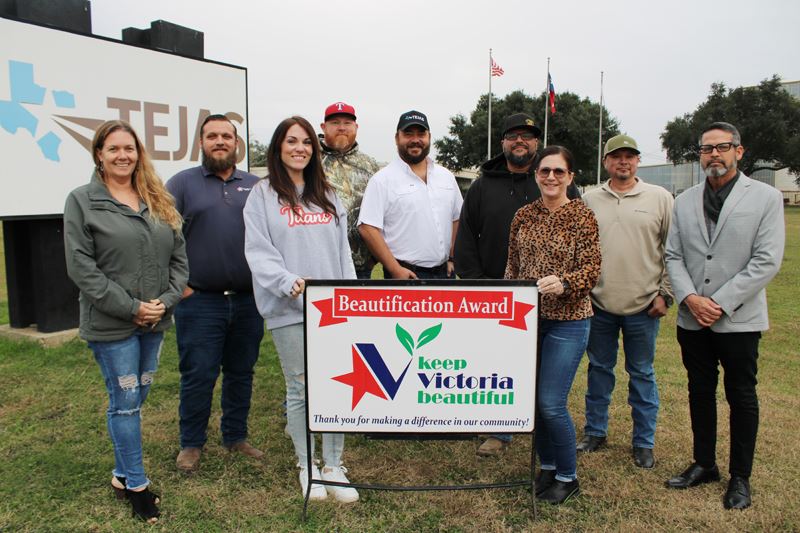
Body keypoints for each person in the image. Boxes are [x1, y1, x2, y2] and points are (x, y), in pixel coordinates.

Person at [64, 120, 189, 523]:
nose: (123, 155)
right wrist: (131, 307)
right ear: (99, 154)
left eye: (129, 148)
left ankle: (120, 474)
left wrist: (164, 302)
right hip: (111, 323)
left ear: (139, 154)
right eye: (114, 148)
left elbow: (179, 259)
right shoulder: (82, 200)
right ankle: (136, 485)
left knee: (137, 397)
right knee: (125, 403)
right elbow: (81, 267)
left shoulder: (158, 198)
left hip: (154, 320)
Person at [665, 122, 785, 510]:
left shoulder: (766, 197)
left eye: (722, 147)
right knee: (699, 391)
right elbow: (673, 256)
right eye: (707, 149)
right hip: (692, 318)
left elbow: (766, 260)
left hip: (738, 319)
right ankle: (704, 463)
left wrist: (717, 302)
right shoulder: (684, 200)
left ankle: (740, 477)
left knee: (741, 395)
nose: (714, 154)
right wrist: (690, 298)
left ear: (739, 151)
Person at [243, 116, 359, 503]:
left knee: (337, 383)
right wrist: (287, 282)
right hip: (288, 307)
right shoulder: (262, 195)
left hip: (332, 307)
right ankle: (307, 464)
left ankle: (333, 465)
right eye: (292, 141)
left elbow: (342, 251)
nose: (300, 148)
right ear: (278, 147)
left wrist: (350, 295)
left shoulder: (327, 193)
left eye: (307, 142)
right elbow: (258, 250)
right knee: (302, 387)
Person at [454, 112, 580, 457]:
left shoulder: (555, 183)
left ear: (537, 142)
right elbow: (466, 240)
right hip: (495, 295)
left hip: (548, 299)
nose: (520, 141)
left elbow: (579, 243)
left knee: (544, 371)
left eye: (527, 135)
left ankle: (541, 426)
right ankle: (499, 430)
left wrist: (564, 283)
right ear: (503, 142)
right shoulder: (482, 186)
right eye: (513, 135)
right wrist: (480, 286)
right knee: (498, 366)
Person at [166, 114, 265, 473]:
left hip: (248, 299)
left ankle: (235, 436)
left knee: (241, 371)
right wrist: (180, 286)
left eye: (226, 135)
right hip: (200, 300)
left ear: (237, 143)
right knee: (199, 374)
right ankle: (191, 444)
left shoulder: (256, 186)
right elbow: (161, 238)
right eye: (212, 136)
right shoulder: (182, 184)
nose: (220, 141)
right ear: (201, 143)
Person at [505, 145, 601, 505]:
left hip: (569, 320)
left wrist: (565, 282)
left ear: (570, 177)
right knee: (534, 401)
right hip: (529, 320)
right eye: (545, 170)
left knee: (551, 402)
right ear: (536, 175)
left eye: (559, 171)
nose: (551, 177)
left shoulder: (582, 216)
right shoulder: (523, 216)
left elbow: (591, 269)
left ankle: (567, 476)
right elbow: (512, 267)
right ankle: (547, 467)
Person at [577, 134, 674, 469]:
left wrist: (666, 294)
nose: (623, 162)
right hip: (599, 305)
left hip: (644, 305)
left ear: (637, 161)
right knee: (599, 370)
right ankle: (595, 432)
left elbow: (673, 250)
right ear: (606, 162)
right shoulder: (590, 199)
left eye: (629, 156)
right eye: (616, 156)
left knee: (642, 373)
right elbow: (580, 251)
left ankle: (643, 442)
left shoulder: (660, 198)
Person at [358, 110, 463, 279]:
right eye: (408, 134)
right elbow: (367, 228)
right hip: (405, 275)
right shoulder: (382, 180)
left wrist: (452, 257)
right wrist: (394, 269)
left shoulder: (446, 177)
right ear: (397, 138)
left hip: (445, 274)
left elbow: (457, 218)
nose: (415, 140)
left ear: (429, 137)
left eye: (421, 134)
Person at [320, 102, 381, 279]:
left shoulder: (369, 165)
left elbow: (382, 211)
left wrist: (373, 256)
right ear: (323, 127)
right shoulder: (310, 161)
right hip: (322, 264)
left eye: (347, 123)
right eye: (335, 123)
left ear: (356, 127)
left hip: (361, 267)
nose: (341, 128)